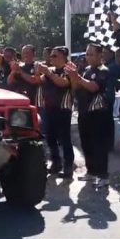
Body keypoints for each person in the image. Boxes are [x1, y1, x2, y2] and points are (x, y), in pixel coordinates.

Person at [66, 43, 111, 188]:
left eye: (92, 54)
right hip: (84, 112)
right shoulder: (86, 70)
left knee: (99, 145)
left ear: (100, 55)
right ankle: (91, 172)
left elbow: (94, 87)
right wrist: (73, 79)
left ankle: (103, 175)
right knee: (86, 143)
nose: (88, 57)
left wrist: (77, 77)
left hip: (98, 114)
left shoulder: (103, 71)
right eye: (87, 54)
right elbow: (77, 88)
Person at [35, 46, 74, 178]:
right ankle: (56, 163)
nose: (51, 58)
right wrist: (38, 72)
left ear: (64, 57)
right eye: (51, 56)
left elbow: (63, 83)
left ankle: (68, 166)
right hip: (49, 108)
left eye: (54, 56)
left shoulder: (68, 70)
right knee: (50, 137)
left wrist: (48, 73)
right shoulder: (49, 70)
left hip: (63, 109)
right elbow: (37, 81)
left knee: (65, 139)